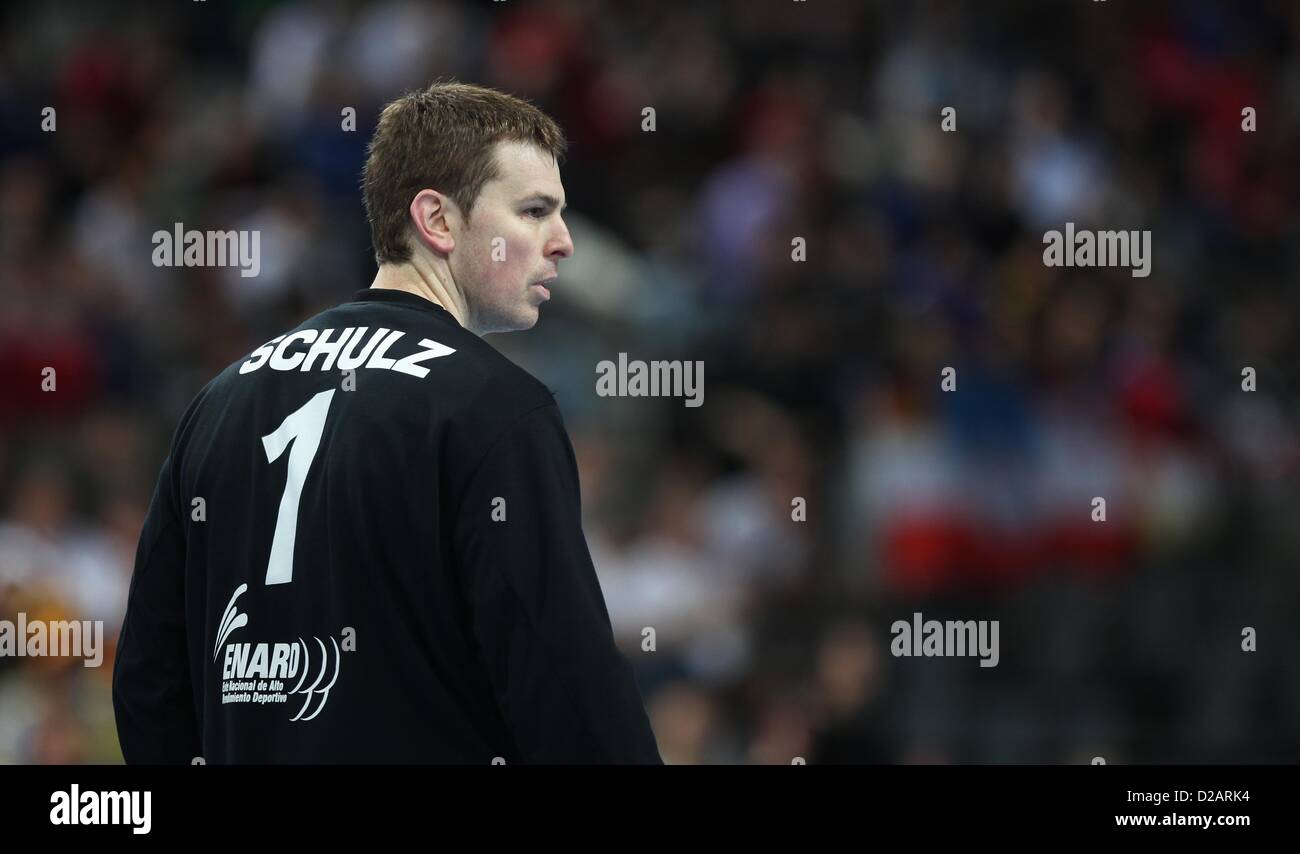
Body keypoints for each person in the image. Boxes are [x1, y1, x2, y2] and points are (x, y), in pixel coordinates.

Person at [112, 80, 662, 764]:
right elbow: (570, 695)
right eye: (533, 211)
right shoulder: (495, 405)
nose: (563, 243)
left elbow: (147, 687)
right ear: (437, 220)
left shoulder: (220, 400)